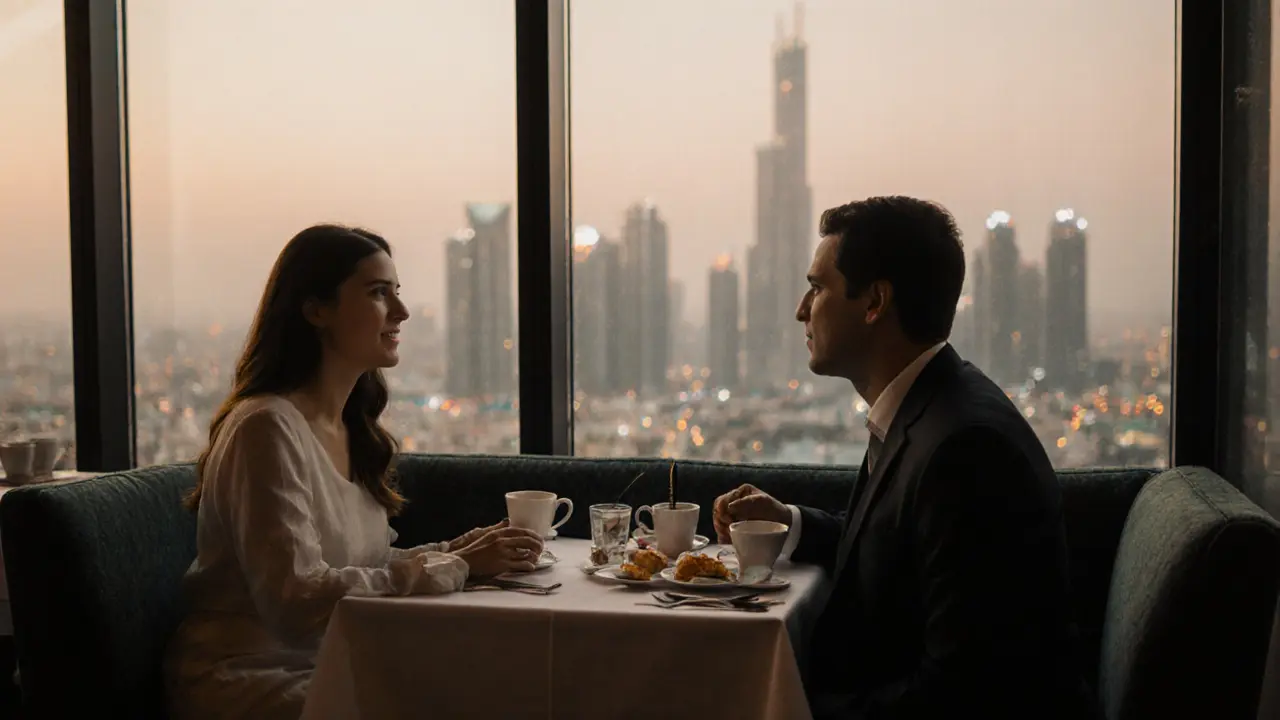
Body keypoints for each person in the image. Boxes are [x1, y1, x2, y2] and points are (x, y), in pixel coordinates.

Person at [714, 198, 1097, 719]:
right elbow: (899, 540)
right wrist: (792, 524)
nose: (802, 310)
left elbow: (962, 689)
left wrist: (801, 710)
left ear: (875, 302)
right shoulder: (934, 406)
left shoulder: (967, 449)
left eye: (818, 288)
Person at [164, 225, 544, 720]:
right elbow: (298, 600)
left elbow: (363, 563)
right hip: (252, 679)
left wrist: (459, 550)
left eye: (397, 293)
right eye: (378, 293)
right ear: (315, 310)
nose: (402, 313)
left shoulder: (348, 429)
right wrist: (457, 567)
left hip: (329, 661)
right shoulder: (267, 428)